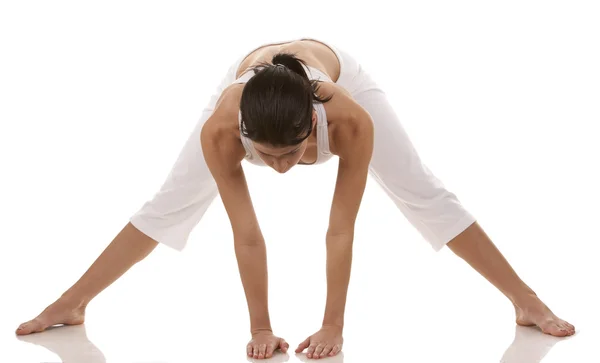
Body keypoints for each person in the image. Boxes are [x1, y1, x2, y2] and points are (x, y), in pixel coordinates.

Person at [15, 38, 575, 360]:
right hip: (260, 87)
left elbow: (340, 228)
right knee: (170, 200)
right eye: (267, 158)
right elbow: (247, 233)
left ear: (316, 125)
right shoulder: (221, 129)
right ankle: (71, 302)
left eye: (295, 155)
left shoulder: (351, 119)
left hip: (330, 67)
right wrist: (261, 328)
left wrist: (334, 326)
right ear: (242, 136)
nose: (280, 170)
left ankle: (527, 301)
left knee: (424, 190)